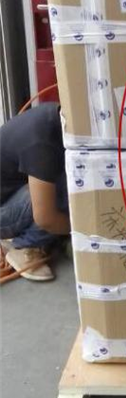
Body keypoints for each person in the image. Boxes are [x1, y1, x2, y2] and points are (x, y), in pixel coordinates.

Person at [0, 102, 69, 281]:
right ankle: (25, 247)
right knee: (64, 195)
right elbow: (46, 218)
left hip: (8, 194)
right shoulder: (42, 142)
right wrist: (87, 230)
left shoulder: (54, 115)